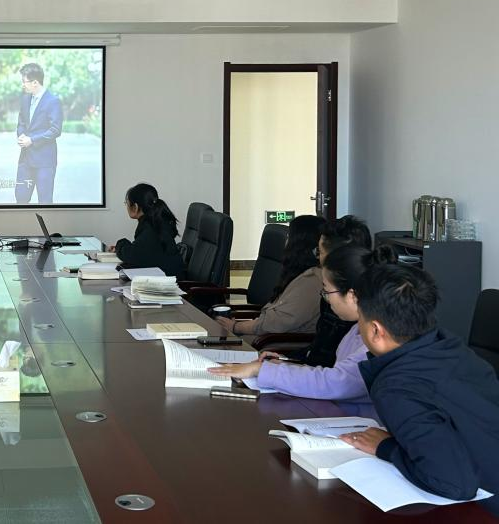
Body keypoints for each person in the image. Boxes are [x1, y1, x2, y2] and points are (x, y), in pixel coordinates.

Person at [339, 263, 499, 515]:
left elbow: (455, 484)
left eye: (360, 318)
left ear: (376, 330)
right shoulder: (448, 346)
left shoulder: (396, 387)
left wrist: (385, 447)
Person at [209, 243, 387, 402]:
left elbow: (336, 383)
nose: (325, 299)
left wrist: (262, 370)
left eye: (326, 291)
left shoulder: (376, 338)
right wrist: (286, 364)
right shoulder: (357, 328)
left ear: (352, 295)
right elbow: (334, 375)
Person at [217, 214, 325, 341]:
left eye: (289, 237)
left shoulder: (311, 281)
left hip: (278, 343)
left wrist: (236, 327)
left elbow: (276, 323)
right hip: (270, 336)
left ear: (298, 244)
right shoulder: (301, 273)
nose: (286, 241)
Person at [303, 215, 372, 367]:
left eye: (320, 251)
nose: (318, 257)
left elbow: (335, 374)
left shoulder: (350, 312)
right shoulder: (356, 318)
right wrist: (285, 362)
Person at [110, 183, 186, 278]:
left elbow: (132, 255)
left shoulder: (151, 227)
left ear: (135, 207)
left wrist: (120, 244)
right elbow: (140, 250)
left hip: (171, 283)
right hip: (167, 277)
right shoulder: (157, 222)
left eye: (127, 203)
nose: (126, 206)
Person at [14, 62, 62, 204]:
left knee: (45, 201)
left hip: (44, 161)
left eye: (24, 81)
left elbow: (55, 130)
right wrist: (21, 135)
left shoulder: (53, 101)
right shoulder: (25, 99)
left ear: (35, 82)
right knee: (20, 198)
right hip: (25, 160)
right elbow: (21, 122)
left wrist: (32, 140)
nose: (23, 85)